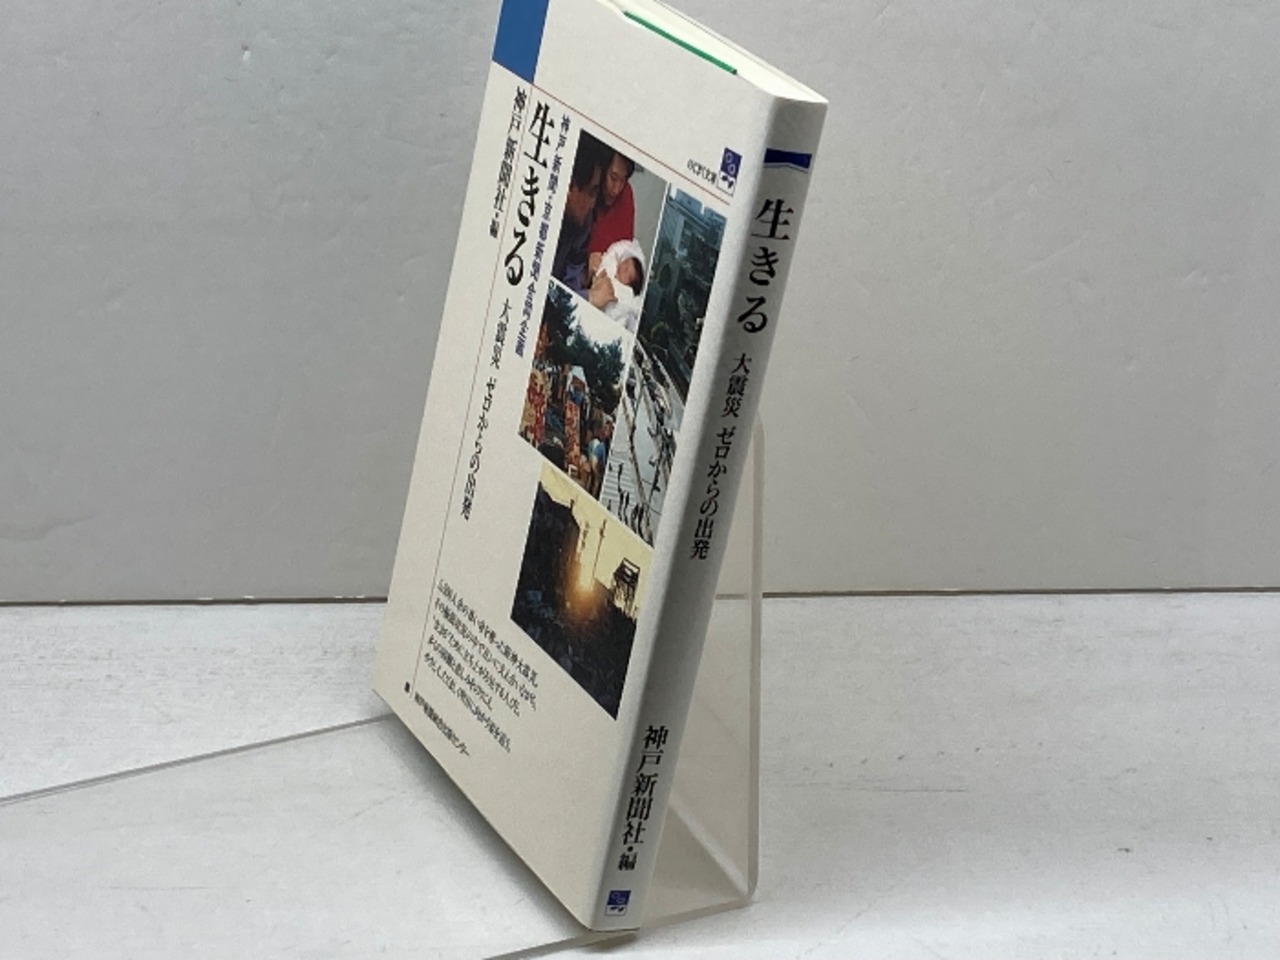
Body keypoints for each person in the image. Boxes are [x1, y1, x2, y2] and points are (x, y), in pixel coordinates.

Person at [552, 138, 606, 296]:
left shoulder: (582, 226)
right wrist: (591, 298)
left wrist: (586, 278)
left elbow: (570, 281)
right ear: (569, 187)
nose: (592, 204)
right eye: (591, 193)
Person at [588, 150, 637, 263]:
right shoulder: (589, 184)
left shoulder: (626, 194)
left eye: (622, 180)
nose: (616, 190)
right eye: (613, 178)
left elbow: (624, 251)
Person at [588, 239, 645, 331]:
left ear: (630, 284)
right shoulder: (609, 272)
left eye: (626, 270)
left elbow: (634, 307)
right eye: (624, 262)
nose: (622, 267)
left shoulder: (627, 293)